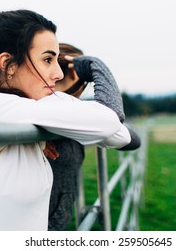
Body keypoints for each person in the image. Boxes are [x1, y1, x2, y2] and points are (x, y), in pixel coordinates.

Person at [0, 9, 131, 231]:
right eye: (47, 59)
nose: (59, 74)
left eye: (58, 61)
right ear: (8, 64)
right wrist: (95, 65)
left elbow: (120, 135)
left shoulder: (30, 108)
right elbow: (110, 123)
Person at [47, 43, 141, 231]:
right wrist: (96, 65)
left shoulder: (55, 107)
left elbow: (130, 137)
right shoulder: (59, 108)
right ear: (76, 74)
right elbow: (115, 121)